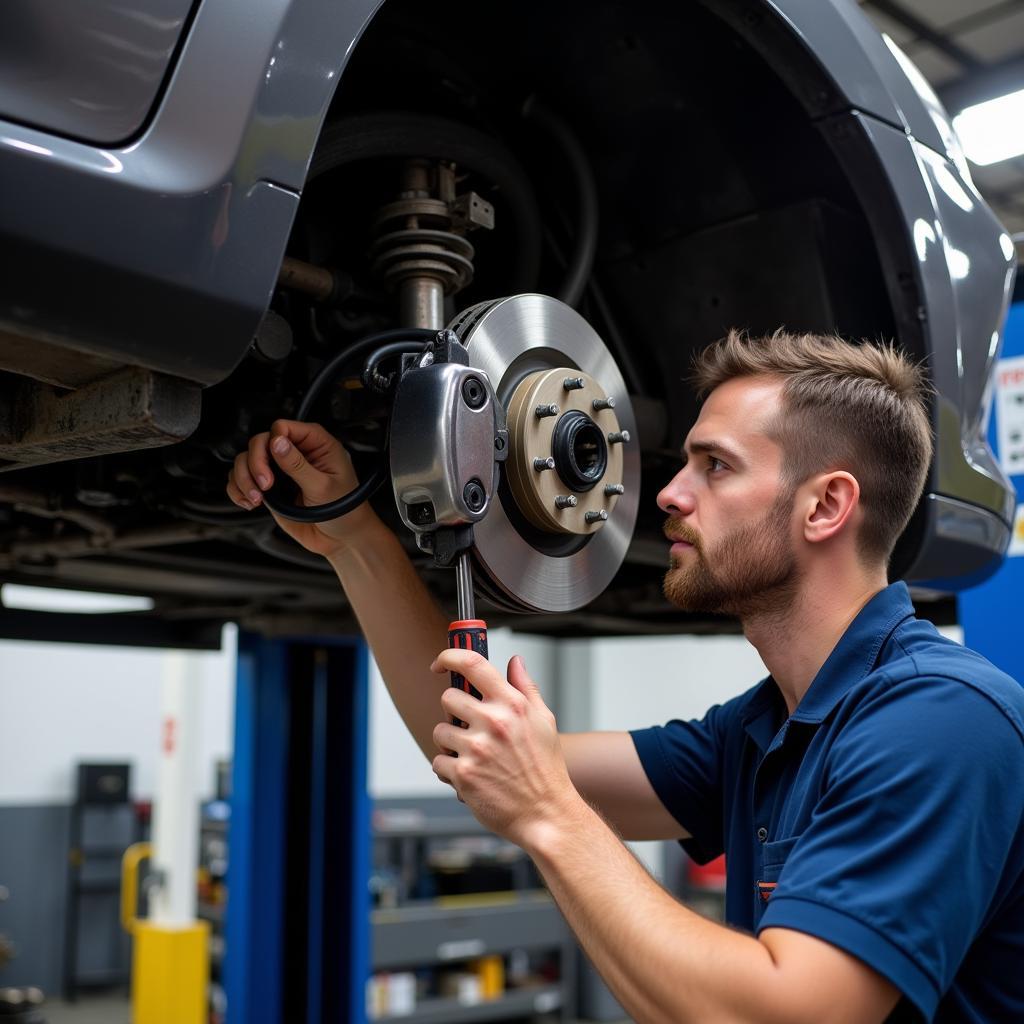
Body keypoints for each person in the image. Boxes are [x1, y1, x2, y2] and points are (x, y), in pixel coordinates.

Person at [227, 329, 1024, 1023]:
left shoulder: (942, 720)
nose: (670, 494)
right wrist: (355, 538)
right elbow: (481, 749)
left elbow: (792, 1015)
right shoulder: (762, 730)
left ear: (825, 507)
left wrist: (549, 817)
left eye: (715, 467)